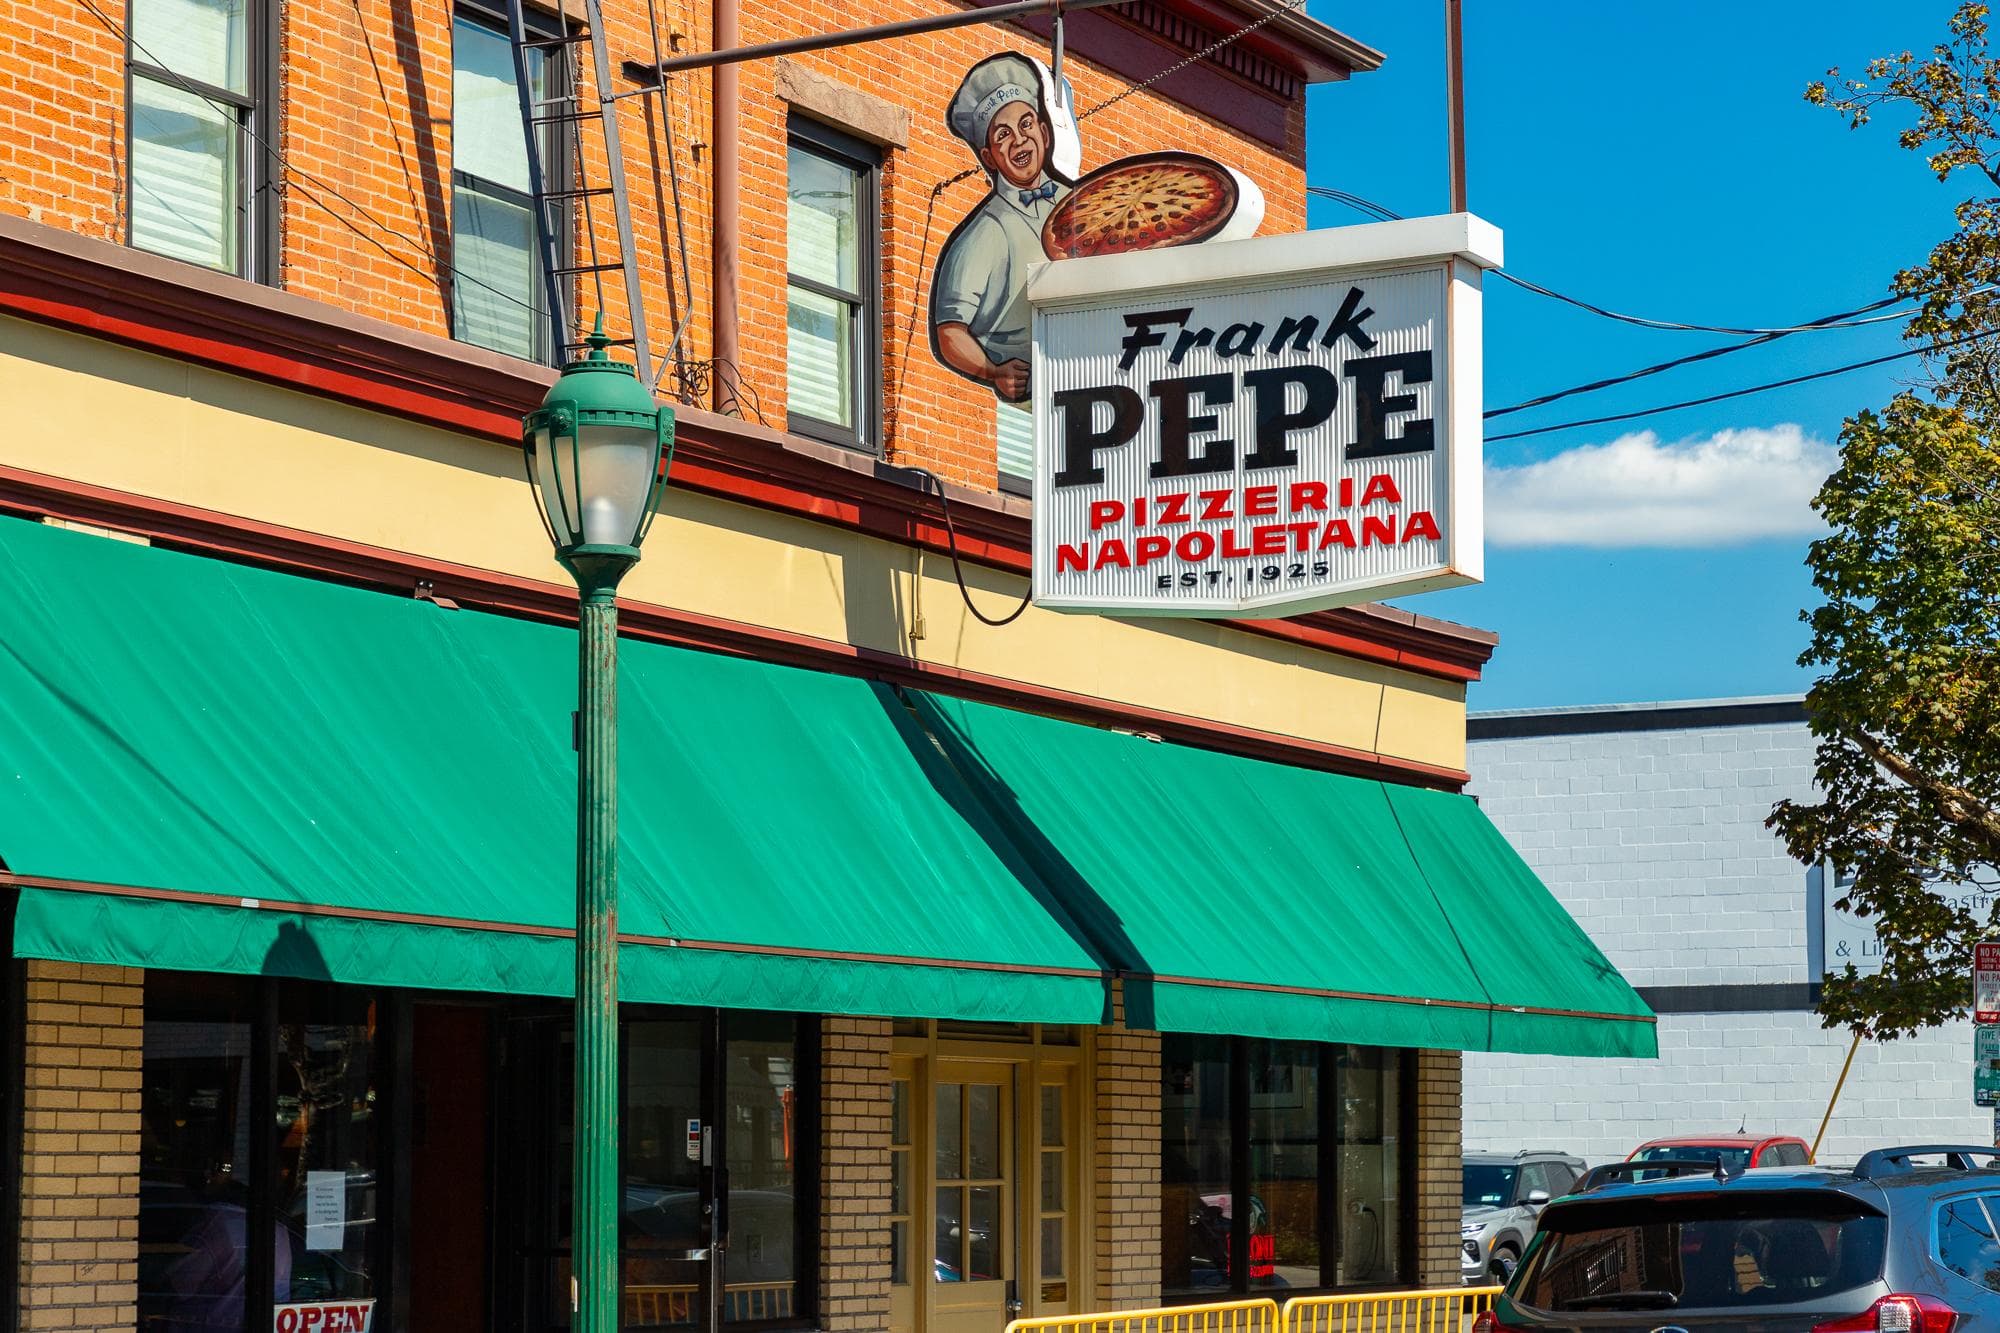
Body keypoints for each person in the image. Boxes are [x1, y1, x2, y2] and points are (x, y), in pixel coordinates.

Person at [930, 52, 1078, 402]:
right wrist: (992, 371)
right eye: (1003, 135)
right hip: (1035, 403)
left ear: (1044, 131)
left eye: (1026, 125)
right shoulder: (987, 232)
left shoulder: (1082, 201)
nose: (1019, 140)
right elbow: (950, 331)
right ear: (988, 158)